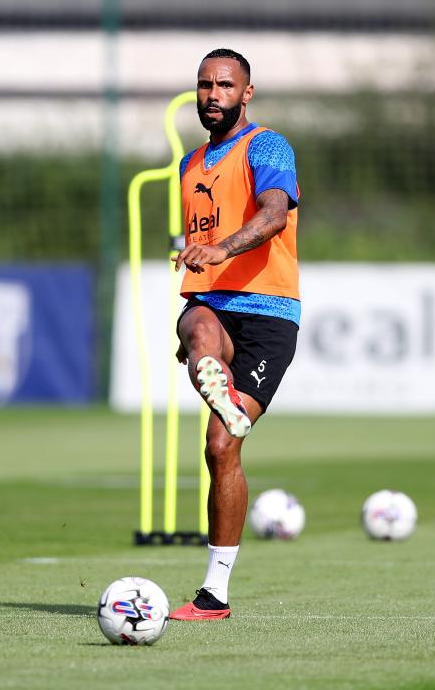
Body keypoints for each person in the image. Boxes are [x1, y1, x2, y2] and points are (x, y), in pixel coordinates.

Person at [168, 48, 301, 621]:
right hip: (211, 303)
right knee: (195, 323)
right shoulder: (189, 163)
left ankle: (214, 593)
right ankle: (211, 370)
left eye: (225, 85)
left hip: (269, 313)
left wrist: (220, 248)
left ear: (246, 93)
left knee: (221, 446)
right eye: (205, 85)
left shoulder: (266, 146)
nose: (212, 95)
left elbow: (274, 214)